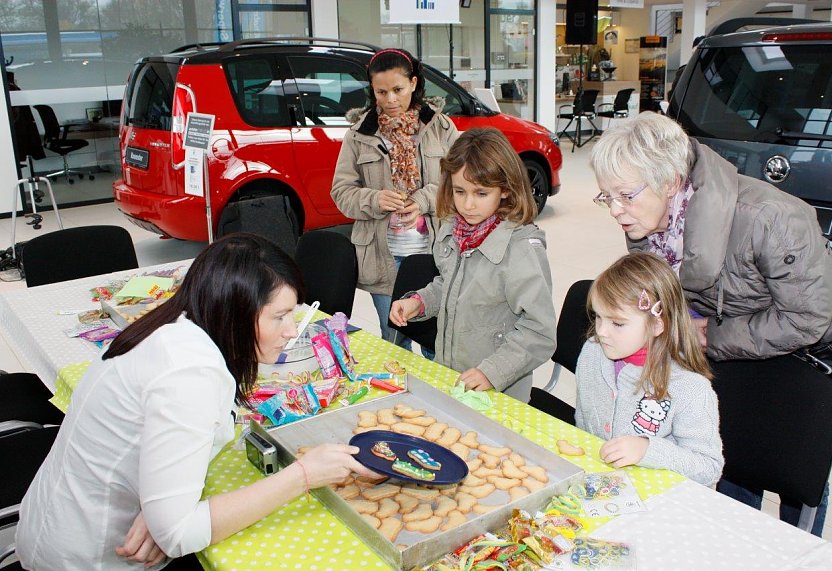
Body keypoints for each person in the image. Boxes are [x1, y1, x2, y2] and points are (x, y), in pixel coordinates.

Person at [16, 234, 377, 570]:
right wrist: (303, 475)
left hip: (69, 515)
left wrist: (160, 508)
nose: (291, 331)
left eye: (292, 313)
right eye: (279, 316)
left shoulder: (179, 323)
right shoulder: (188, 374)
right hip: (85, 555)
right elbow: (178, 536)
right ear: (233, 311)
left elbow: (169, 501)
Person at [589, 112, 832, 534]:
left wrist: (710, 336)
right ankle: (734, 533)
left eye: (624, 195)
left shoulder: (768, 217)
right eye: (606, 197)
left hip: (806, 346)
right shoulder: (649, 217)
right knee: (731, 443)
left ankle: (797, 547)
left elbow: (807, 317)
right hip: (731, 334)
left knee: (793, 456)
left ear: (670, 181)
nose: (615, 210)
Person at [390, 128, 556, 403]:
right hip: (452, 377)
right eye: (460, 191)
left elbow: (540, 332)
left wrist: (492, 372)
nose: (468, 205)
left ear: (505, 189)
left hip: (498, 392)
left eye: (481, 193)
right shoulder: (452, 230)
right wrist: (420, 302)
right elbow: (449, 284)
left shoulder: (521, 250)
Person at [332, 47, 459, 353]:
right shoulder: (359, 135)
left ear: (413, 83)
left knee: (435, 343)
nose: (390, 100)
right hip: (382, 258)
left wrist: (424, 200)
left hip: (433, 253)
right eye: (381, 92)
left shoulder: (441, 128)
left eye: (398, 90)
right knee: (394, 342)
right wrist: (375, 199)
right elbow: (341, 192)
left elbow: (460, 181)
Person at [575, 252, 724, 486]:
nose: (601, 332)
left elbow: (709, 468)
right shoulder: (593, 352)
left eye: (617, 323)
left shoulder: (690, 388)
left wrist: (647, 450)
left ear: (656, 325)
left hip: (659, 496)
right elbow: (583, 426)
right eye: (598, 317)